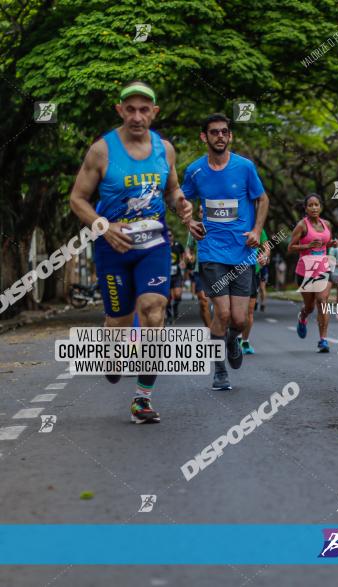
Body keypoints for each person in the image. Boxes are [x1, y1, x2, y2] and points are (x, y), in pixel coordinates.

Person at [69, 80, 193, 423]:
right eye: (130, 109)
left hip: (154, 242)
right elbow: (77, 199)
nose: (137, 116)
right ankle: (111, 353)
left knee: (154, 309)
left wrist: (181, 204)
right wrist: (104, 227)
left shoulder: (164, 149)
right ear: (120, 110)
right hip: (113, 246)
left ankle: (143, 398)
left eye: (144, 109)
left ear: (154, 112)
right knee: (120, 321)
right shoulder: (101, 150)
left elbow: (172, 189)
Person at [183, 113, 269, 392]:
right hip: (211, 251)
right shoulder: (195, 171)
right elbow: (181, 200)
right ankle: (219, 370)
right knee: (221, 312)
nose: (220, 136)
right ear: (204, 137)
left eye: (224, 132)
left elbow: (262, 198)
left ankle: (233, 340)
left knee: (240, 319)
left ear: (230, 136)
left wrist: (257, 230)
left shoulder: (245, 167)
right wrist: (189, 221)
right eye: (214, 132)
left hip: (243, 252)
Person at [287, 194, 336, 352]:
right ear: (306, 208)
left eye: (317, 205)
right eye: (311, 205)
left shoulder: (327, 224)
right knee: (309, 307)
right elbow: (290, 247)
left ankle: (323, 340)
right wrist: (307, 246)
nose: (314, 208)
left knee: (322, 301)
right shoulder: (302, 225)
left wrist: (331, 243)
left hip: (323, 268)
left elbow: (324, 243)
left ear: (321, 207)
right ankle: (302, 317)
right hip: (305, 271)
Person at [241, 229, 270, 354]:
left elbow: (266, 246)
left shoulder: (257, 227)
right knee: (232, 310)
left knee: (249, 310)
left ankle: (244, 340)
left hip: (252, 270)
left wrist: (265, 256)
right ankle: (235, 336)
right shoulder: (229, 220)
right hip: (231, 270)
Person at [184, 233, 212, 328]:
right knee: (203, 302)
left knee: (222, 306)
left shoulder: (222, 223)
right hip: (200, 270)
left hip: (222, 267)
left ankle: (220, 330)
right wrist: (188, 255)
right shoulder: (196, 227)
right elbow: (189, 248)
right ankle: (210, 332)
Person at [167, 236, 185, 323]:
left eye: (171, 235)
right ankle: (169, 315)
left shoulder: (178, 245)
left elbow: (183, 255)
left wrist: (182, 261)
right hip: (166, 275)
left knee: (178, 295)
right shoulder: (164, 245)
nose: (169, 237)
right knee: (167, 297)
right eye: (168, 235)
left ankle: (175, 306)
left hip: (177, 274)